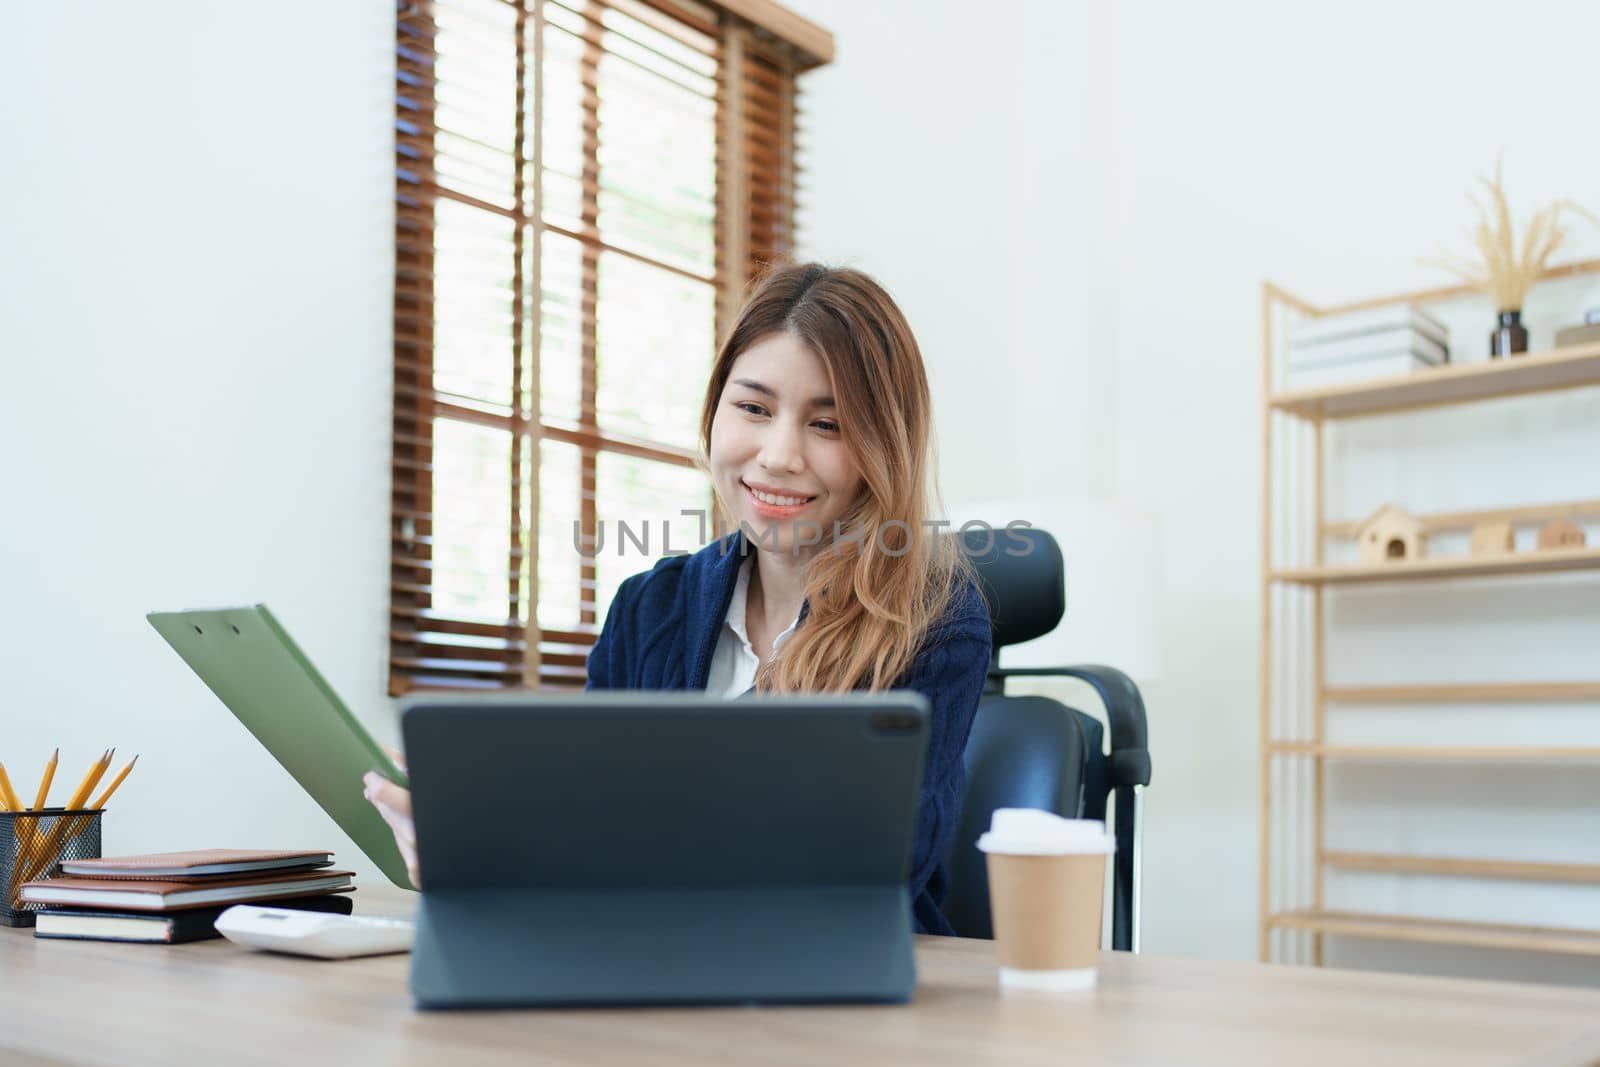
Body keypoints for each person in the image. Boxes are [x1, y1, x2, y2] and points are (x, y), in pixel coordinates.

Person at [366, 263, 992, 935]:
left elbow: (881, 865)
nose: (779, 455)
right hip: (652, 969)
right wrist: (488, 860)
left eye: (829, 424)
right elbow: (593, 818)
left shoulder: (934, 619)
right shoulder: (648, 607)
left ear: (883, 447)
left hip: (842, 991)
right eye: (753, 408)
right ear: (713, 413)